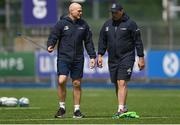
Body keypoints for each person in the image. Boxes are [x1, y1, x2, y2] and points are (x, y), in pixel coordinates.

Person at [47, 2, 96, 118]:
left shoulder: (84, 24)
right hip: (64, 57)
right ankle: (62, 108)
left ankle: (77, 111)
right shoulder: (61, 23)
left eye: (81, 10)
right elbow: (53, 36)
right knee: (61, 80)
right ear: (71, 11)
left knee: (76, 83)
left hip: (78, 59)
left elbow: (88, 42)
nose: (81, 12)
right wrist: (51, 45)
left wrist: (92, 56)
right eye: (79, 10)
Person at [97, 3, 145, 117]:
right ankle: (123, 106)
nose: (113, 14)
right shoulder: (107, 24)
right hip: (113, 59)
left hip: (127, 57)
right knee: (116, 83)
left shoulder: (130, 24)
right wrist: (100, 55)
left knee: (122, 82)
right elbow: (102, 41)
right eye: (112, 12)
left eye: (115, 12)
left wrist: (141, 58)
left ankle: (120, 109)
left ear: (121, 11)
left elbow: (138, 41)